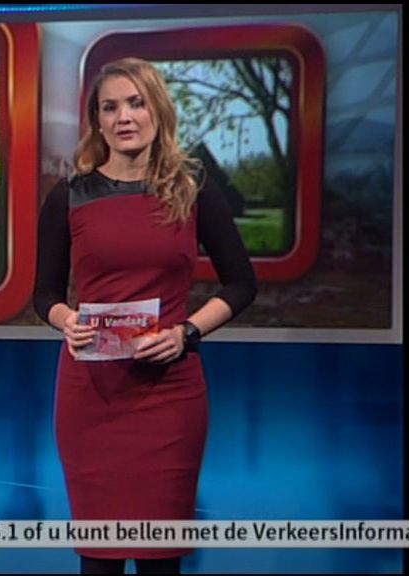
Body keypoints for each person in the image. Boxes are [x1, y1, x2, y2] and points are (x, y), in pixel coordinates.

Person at [32, 57, 257, 575]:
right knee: (100, 558)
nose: (124, 117)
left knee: (160, 558)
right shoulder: (69, 196)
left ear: (158, 109)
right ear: (96, 120)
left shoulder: (194, 188)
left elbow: (242, 284)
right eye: (110, 107)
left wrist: (187, 333)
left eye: (136, 103)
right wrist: (66, 319)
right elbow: (44, 294)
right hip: (92, 394)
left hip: (169, 394)